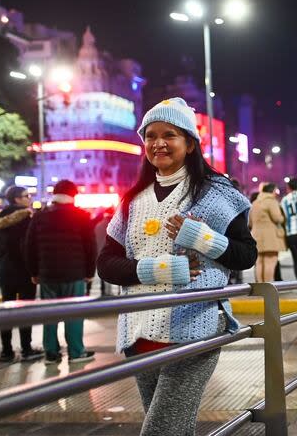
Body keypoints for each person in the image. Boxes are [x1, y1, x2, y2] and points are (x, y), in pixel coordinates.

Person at [97, 97, 256, 436]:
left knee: (160, 431)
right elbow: (106, 263)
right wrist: (155, 270)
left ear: (190, 143)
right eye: (150, 136)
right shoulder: (132, 199)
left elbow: (246, 255)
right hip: (138, 330)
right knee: (176, 429)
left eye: (169, 134)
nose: (158, 143)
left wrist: (205, 238)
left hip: (195, 328)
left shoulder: (216, 193)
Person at [25, 180, 96, 364]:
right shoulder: (81, 216)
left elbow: (29, 246)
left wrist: (34, 272)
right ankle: (76, 352)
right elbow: (90, 247)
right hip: (74, 273)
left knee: (50, 314)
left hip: (47, 274)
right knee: (74, 314)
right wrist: (89, 272)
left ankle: (51, 353)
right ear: (73, 195)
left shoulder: (39, 216)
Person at [0, 186, 43, 362]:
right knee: (26, 310)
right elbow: (33, 246)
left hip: (6, 271)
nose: (29, 198)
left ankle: (6, 351)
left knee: (7, 312)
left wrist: (4, 261)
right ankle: (26, 349)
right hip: (25, 271)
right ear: (17, 199)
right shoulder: (27, 217)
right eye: (26, 196)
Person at [249, 182, 286, 283]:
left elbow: (250, 222)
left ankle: (261, 286)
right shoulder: (271, 201)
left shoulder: (255, 203)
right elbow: (277, 218)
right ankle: (268, 285)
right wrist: (283, 218)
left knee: (259, 262)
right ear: (273, 191)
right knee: (270, 261)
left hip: (256, 236)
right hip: (270, 237)